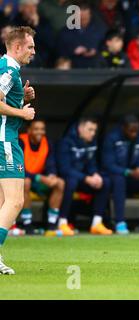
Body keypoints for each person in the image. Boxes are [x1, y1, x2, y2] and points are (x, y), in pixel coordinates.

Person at [0, 26, 36, 275]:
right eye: (31, 46)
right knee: (15, 200)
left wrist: (20, 98)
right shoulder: (9, 69)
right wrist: (22, 112)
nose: (34, 51)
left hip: (3, 137)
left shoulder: (8, 68)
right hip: (6, 140)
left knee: (3, 201)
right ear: (17, 47)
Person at [57, 117, 113, 236]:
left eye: (94, 130)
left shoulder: (92, 142)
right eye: (90, 129)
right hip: (68, 178)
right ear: (80, 128)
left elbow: (91, 164)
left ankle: (96, 223)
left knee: (105, 182)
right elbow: (64, 169)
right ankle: (62, 222)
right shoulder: (66, 142)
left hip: (83, 179)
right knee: (71, 182)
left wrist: (95, 175)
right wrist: (86, 178)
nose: (93, 133)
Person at [102, 115, 139, 235]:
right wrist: (128, 172)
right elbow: (108, 164)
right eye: (131, 131)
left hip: (133, 176)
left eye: (136, 131)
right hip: (117, 176)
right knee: (119, 180)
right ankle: (120, 222)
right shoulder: (112, 138)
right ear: (123, 128)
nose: (134, 134)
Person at [16, 119, 65, 236]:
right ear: (29, 130)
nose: (40, 132)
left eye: (42, 129)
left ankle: (51, 225)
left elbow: (51, 163)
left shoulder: (47, 142)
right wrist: (39, 178)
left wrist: (52, 175)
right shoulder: (20, 141)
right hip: (24, 178)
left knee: (60, 183)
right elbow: (18, 168)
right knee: (26, 182)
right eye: (36, 129)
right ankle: (27, 224)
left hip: (39, 180)